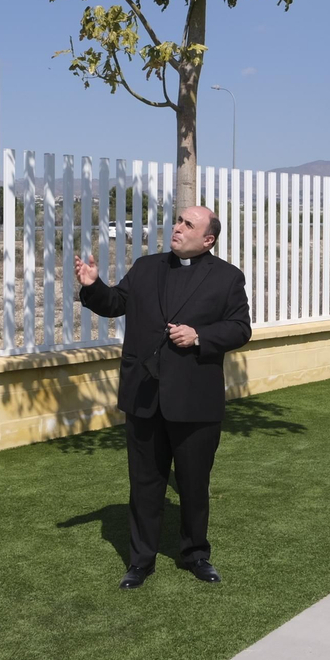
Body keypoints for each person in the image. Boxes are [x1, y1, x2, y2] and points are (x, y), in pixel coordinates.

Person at [75, 206, 252, 589]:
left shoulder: (227, 278)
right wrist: (93, 286)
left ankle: (196, 554)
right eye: (178, 220)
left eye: (188, 224)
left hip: (194, 399)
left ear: (208, 239)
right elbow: (115, 304)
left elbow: (240, 329)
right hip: (144, 395)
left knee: (193, 483)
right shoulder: (146, 267)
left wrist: (200, 336)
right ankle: (140, 561)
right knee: (144, 483)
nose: (177, 227)